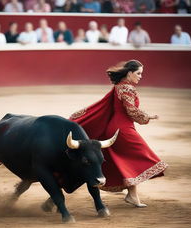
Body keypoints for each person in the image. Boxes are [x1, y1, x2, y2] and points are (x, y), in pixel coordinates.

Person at [69, 60, 168, 207]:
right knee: (143, 156)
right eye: (138, 73)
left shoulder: (119, 86)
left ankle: (133, 196)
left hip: (116, 128)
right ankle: (132, 195)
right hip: (123, 129)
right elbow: (131, 110)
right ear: (129, 73)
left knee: (125, 161)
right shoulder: (127, 88)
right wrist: (148, 117)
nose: (140, 77)